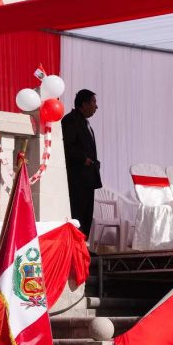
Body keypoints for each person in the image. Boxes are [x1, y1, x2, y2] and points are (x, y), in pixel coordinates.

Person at [61, 89, 101, 238]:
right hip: (77, 178)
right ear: (84, 104)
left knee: (86, 213)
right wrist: (84, 159)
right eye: (93, 102)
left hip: (87, 178)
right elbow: (67, 146)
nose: (96, 107)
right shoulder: (70, 120)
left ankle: (83, 244)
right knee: (77, 212)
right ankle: (75, 245)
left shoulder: (84, 122)